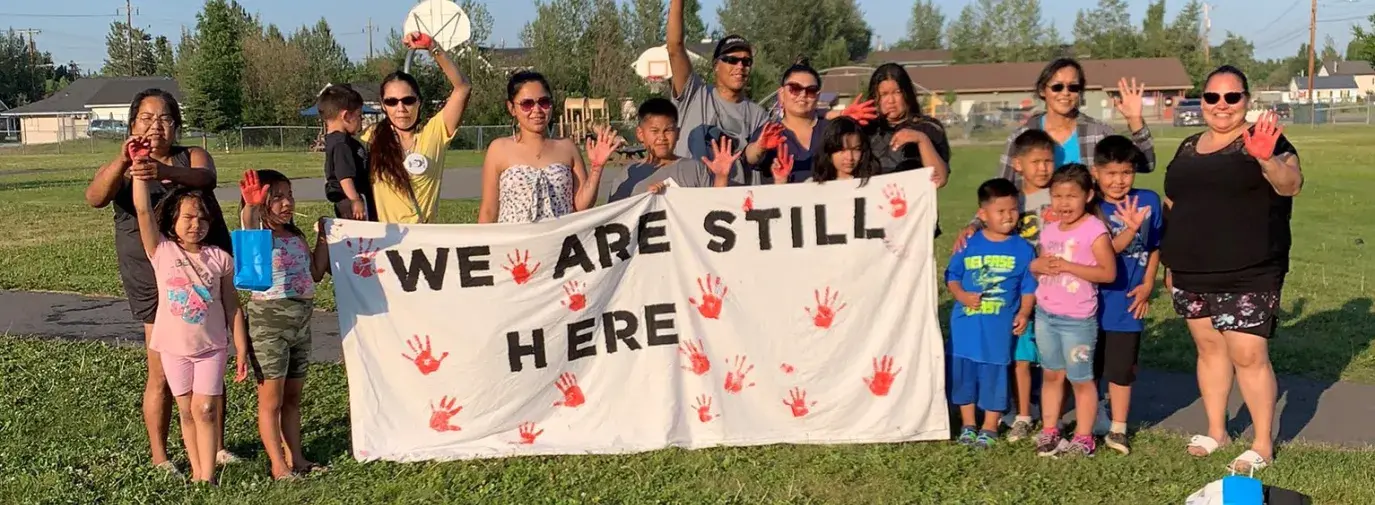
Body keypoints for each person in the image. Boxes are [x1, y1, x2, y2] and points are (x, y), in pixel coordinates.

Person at [82, 88, 239, 475]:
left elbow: (206, 176)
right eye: (147, 118)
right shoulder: (125, 166)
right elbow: (94, 197)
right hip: (153, 277)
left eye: (165, 118)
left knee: (210, 358)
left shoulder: (190, 157)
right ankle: (161, 455)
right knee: (163, 369)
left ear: (176, 125)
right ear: (132, 124)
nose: (156, 125)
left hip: (205, 270)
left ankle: (215, 447)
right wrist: (124, 160)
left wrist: (165, 171)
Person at [1162, 65, 1302, 473]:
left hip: (1250, 267)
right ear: (1202, 101)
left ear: (1247, 100)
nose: (1221, 105)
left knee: (1248, 352)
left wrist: (1265, 159)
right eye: (1212, 97)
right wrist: (1171, 259)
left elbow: (1290, 183)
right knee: (1209, 349)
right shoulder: (1189, 146)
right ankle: (1216, 430)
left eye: (1232, 97)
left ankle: (1262, 443)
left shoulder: (1264, 140)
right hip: (1191, 269)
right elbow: (1174, 202)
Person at [132, 175, 248, 484]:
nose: (195, 224)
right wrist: (139, 176)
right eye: (188, 217)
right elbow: (143, 212)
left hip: (212, 347)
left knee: (206, 408)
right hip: (173, 348)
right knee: (186, 411)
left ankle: (207, 477)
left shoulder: (220, 258)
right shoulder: (162, 251)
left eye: (202, 218)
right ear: (173, 220)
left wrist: (241, 346)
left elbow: (232, 305)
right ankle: (197, 471)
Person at [238, 170, 332, 480]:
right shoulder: (259, 237)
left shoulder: (296, 237)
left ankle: (297, 458)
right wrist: (251, 208)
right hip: (269, 325)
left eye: (288, 195)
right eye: (276, 197)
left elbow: (317, 272)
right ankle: (278, 466)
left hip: (301, 325)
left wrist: (322, 237)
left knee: (293, 398)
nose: (286, 202)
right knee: (271, 400)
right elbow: (248, 226)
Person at [945, 178, 1038, 450]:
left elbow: (1028, 287)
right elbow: (952, 276)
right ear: (983, 214)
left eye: (1013, 210)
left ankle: (989, 425)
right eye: (1000, 211)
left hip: (998, 330)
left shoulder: (1023, 248)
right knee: (964, 375)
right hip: (965, 328)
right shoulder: (968, 244)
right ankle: (968, 424)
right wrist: (961, 295)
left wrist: (1024, 312)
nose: (1008, 216)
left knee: (994, 375)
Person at [1030, 164, 1116, 458]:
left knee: (1081, 379)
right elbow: (1040, 265)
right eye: (1057, 196)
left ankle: (1084, 437)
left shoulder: (1094, 230)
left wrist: (1069, 267)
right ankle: (1050, 430)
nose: (1064, 203)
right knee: (1052, 376)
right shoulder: (1050, 229)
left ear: (1088, 195)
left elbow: (1108, 273)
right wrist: (1035, 266)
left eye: (1071, 196)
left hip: (1077, 320)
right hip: (1046, 315)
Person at [1090, 135, 1164, 456]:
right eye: (1111, 173)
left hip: (1128, 301)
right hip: (1089, 303)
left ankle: (1118, 428)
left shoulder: (1149, 201)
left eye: (1127, 172)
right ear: (1096, 172)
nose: (1119, 181)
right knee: (1088, 368)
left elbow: (1155, 246)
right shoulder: (1088, 206)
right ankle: (1088, 422)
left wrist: (1149, 283)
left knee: (1121, 369)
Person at [478, 71, 620, 223]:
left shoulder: (567, 147)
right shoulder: (499, 149)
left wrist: (596, 168)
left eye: (544, 102)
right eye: (527, 104)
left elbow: (581, 205)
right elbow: (489, 210)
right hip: (515, 244)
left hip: (560, 243)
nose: (537, 110)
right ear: (512, 108)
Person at [363, 32, 472, 224]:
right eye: (391, 101)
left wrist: (432, 46)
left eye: (408, 100)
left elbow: (462, 87)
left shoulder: (435, 132)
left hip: (425, 242)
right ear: (382, 104)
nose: (401, 108)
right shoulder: (371, 137)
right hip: (386, 243)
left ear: (419, 102)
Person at [995, 58, 1155, 187]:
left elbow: (1146, 164)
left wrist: (1135, 120)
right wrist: (976, 226)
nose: (1065, 93)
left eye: (1073, 87)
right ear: (1043, 91)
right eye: (1057, 87)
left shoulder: (1099, 133)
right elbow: (1000, 190)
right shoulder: (1020, 138)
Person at [666, 0, 768, 185]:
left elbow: (755, 159)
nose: (740, 66)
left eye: (746, 62)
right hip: (689, 200)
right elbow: (675, 47)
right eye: (731, 60)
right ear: (716, 66)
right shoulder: (695, 94)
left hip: (733, 204)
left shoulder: (759, 115)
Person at [1004, 129, 1058, 443]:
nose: (1042, 168)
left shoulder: (1061, 195)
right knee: (1021, 355)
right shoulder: (1012, 199)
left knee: (1054, 357)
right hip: (1020, 292)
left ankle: (1056, 412)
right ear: (1018, 164)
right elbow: (986, 220)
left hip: (1058, 291)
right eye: (1035, 161)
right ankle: (1023, 413)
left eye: (1048, 161)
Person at [608, 98, 733, 202]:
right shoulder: (628, 175)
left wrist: (721, 178)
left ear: (678, 133)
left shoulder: (695, 169)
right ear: (640, 134)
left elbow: (714, 208)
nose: (662, 138)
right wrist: (646, 201)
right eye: (654, 131)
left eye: (668, 130)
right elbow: (617, 218)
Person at [742, 60, 828, 183]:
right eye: (795, 88)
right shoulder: (771, 132)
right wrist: (760, 147)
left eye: (811, 90)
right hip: (782, 201)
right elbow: (750, 158)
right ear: (781, 94)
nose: (803, 94)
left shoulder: (831, 130)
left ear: (818, 96)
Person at [320, 84, 374, 221]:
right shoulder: (341, 144)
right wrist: (355, 200)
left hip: (347, 198)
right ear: (346, 116)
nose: (361, 121)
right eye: (359, 116)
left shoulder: (334, 141)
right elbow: (344, 176)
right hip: (353, 201)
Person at [773, 117, 879, 185]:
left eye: (856, 149)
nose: (850, 157)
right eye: (842, 150)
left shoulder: (875, 183)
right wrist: (781, 183)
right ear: (829, 150)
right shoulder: (812, 185)